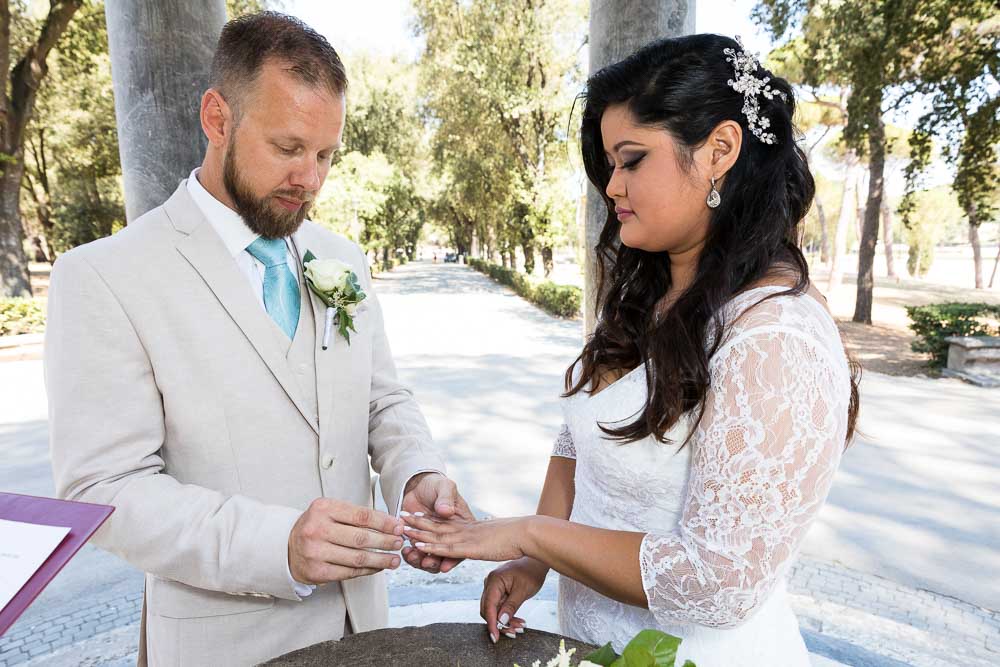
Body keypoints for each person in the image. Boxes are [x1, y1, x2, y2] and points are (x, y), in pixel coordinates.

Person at [400, 34, 860, 666]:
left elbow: (716, 583)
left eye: (632, 159)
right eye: (610, 164)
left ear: (720, 151)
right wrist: (534, 563)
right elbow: (579, 439)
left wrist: (529, 534)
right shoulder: (649, 294)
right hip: (588, 646)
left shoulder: (774, 337)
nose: (611, 186)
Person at [46, 12, 467, 666]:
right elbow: (104, 489)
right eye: (288, 147)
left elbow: (383, 399)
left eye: (325, 154)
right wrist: (277, 545)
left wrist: (416, 472)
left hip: (367, 632)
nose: (310, 178)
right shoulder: (103, 276)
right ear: (218, 119)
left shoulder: (343, 259)